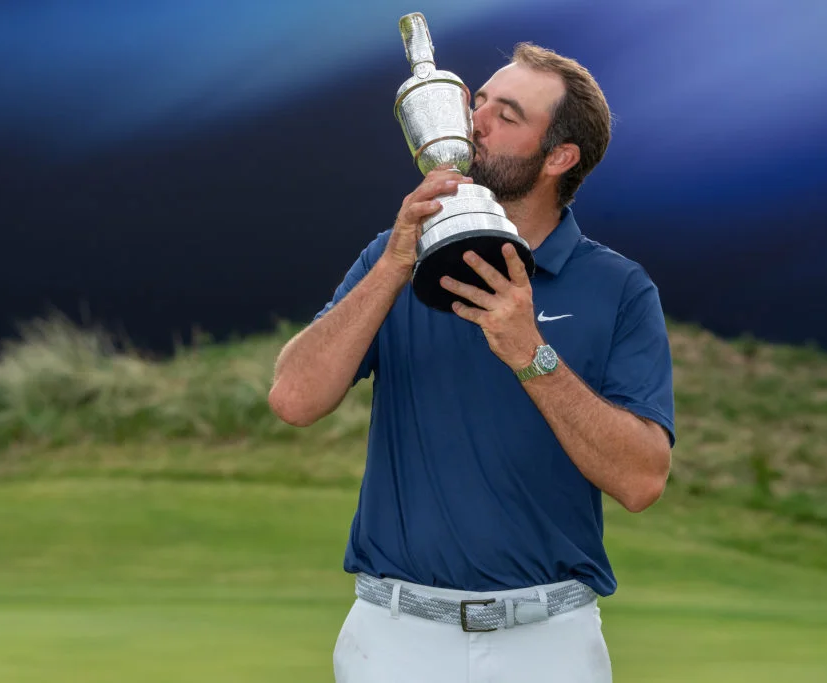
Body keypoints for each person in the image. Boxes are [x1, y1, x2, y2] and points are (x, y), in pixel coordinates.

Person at [268, 42, 675, 683]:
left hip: (549, 642)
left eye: (506, 114)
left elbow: (642, 481)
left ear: (559, 157)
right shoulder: (392, 255)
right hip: (395, 639)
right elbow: (293, 399)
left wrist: (530, 352)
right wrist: (396, 266)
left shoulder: (619, 288)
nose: (474, 120)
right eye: (477, 101)